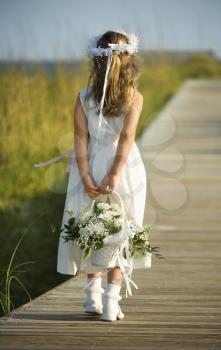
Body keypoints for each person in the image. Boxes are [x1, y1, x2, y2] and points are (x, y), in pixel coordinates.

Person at [34, 30, 147, 321]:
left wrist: (85, 176)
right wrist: (115, 174)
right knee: (121, 230)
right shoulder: (134, 98)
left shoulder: (84, 97)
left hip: (92, 163)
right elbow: (126, 139)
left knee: (92, 228)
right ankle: (111, 301)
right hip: (125, 170)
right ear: (129, 61)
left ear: (97, 63)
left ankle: (91, 298)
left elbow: (80, 139)